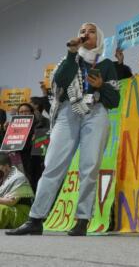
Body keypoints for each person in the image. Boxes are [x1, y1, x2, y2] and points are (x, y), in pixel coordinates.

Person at [6, 22, 119, 236]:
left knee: (90, 166)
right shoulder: (68, 60)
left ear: (100, 37)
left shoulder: (106, 64)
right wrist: (71, 54)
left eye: (91, 31)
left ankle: (82, 220)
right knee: (52, 165)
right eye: (82, 31)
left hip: (96, 113)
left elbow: (114, 100)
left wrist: (100, 86)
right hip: (68, 114)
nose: (86, 34)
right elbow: (59, 82)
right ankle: (35, 218)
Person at [0, 154, 34, 229]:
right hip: (7, 208)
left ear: (6, 166)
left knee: (2, 209)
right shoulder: (2, 177)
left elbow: (11, 202)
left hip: (20, 212)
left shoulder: (18, 178)